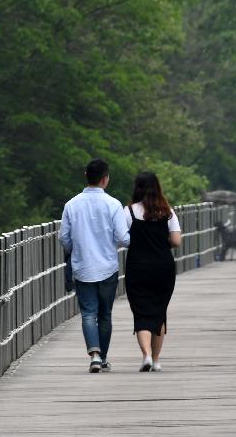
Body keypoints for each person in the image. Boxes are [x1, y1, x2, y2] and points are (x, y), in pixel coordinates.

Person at [59, 158, 130, 373]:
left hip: (82, 267)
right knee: (105, 314)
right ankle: (104, 357)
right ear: (105, 179)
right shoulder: (113, 204)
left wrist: (76, 248)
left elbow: (64, 238)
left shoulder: (71, 205)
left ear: (86, 176)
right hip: (107, 266)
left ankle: (95, 356)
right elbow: (123, 238)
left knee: (88, 313)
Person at [124, 171, 181, 372]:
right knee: (159, 311)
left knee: (141, 311)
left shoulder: (129, 212)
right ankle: (156, 360)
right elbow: (176, 241)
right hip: (163, 268)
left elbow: (122, 238)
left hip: (137, 267)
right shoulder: (168, 212)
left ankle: (146, 354)